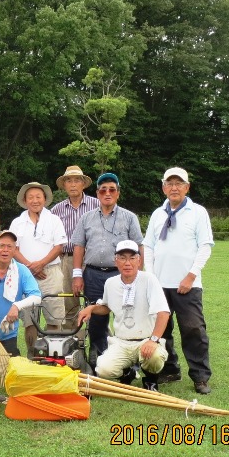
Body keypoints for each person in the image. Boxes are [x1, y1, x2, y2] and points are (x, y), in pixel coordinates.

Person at [143, 167, 214, 394]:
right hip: (160, 284)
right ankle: (170, 369)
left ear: (187, 187)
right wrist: (151, 275)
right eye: (170, 183)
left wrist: (191, 275)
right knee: (162, 331)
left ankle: (200, 377)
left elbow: (205, 246)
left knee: (193, 329)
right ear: (164, 187)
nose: (174, 187)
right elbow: (149, 246)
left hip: (187, 285)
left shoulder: (198, 212)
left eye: (179, 183)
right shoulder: (157, 213)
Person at [71, 173, 144, 365]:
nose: (107, 193)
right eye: (103, 190)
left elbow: (139, 246)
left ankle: (131, 361)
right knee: (96, 318)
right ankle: (99, 358)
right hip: (93, 274)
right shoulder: (86, 218)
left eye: (112, 189)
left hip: (122, 275)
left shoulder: (129, 217)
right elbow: (78, 246)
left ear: (118, 193)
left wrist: (138, 276)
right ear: (97, 193)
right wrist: (77, 275)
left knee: (128, 316)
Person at [77, 240, 170, 391]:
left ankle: (151, 379)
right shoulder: (110, 282)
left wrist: (153, 340)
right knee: (103, 369)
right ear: (116, 261)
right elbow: (106, 307)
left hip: (146, 339)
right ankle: (128, 372)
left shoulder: (149, 279)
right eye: (122, 258)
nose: (127, 263)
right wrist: (91, 308)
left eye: (132, 258)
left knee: (155, 357)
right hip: (121, 342)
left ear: (139, 260)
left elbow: (163, 312)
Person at [9, 182, 68, 358]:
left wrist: (40, 264)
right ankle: (32, 354)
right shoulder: (17, 222)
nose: (35, 200)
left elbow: (59, 247)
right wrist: (30, 267)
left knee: (54, 316)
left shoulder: (54, 219)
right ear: (25, 200)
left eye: (38, 197)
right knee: (29, 318)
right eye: (31, 197)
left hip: (51, 272)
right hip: (26, 274)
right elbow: (13, 248)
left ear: (44, 199)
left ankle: (53, 354)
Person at [51, 166, 100, 328]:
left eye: (77, 180)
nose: (73, 184)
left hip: (92, 259)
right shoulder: (56, 210)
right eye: (69, 181)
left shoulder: (96, 205)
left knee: (95, 303)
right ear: (64, 185)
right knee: (69, 304)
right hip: (67, 259)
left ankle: (99, 346)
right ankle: (72, 344)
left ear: (83, 184)